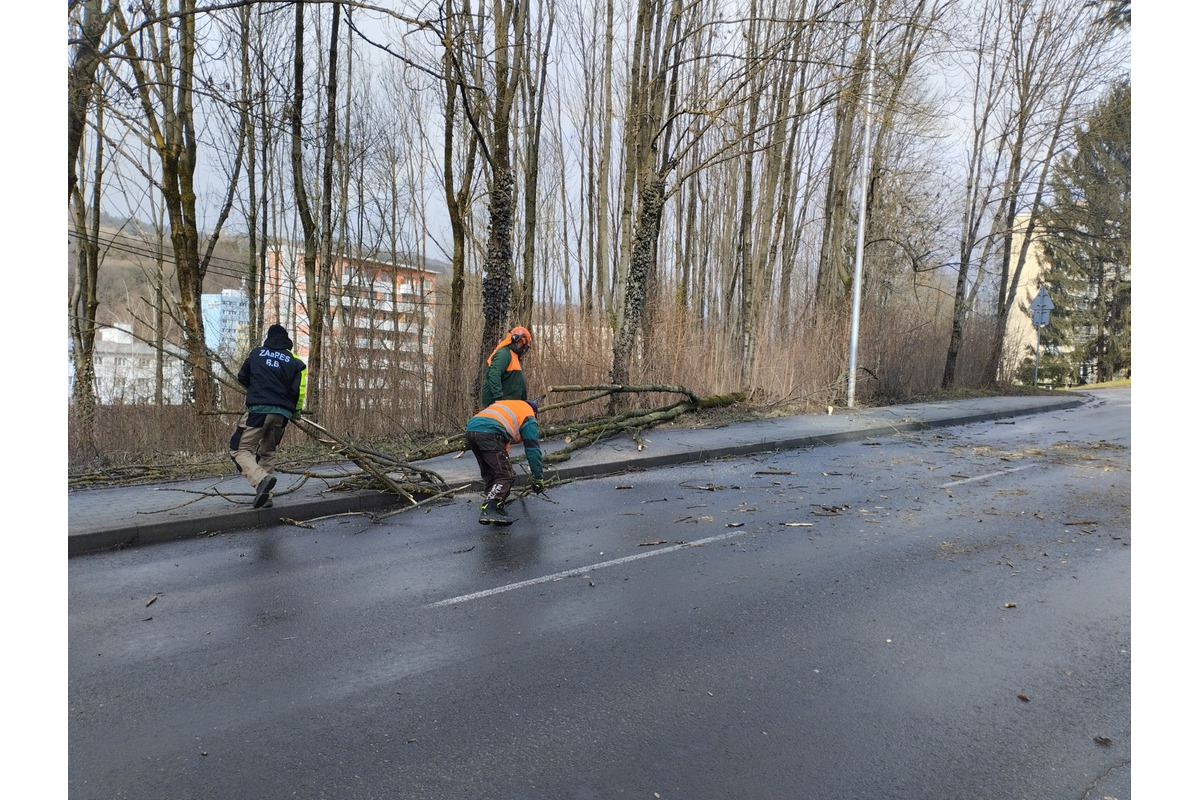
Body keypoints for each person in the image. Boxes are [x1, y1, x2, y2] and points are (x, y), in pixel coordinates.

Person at [229, 323, 307, 509]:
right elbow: (298, 391)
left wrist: (257, 390)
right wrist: (295, 412)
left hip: (258, 412)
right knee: (268, 452)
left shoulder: (257, 354)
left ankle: (261, 479)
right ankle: (266, 497)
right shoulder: (295, 361)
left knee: (239, 450)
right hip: (281, 415)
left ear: (268, 337)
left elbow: (242, 376)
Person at [465, 397, 545, 525]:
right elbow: (533, 450)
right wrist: (538, 478)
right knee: (506, 475)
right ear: (535, 413)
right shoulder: (528, 416)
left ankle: (495, 507)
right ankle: (489, 509)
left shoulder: (511, 406)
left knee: (491, 472)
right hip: (490, 432)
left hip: (471, 429)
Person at [480, 326, 533, 407]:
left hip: (510, 404)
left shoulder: (514, 356)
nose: (523, 349)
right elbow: (494, 375)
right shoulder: (504, 354)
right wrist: (499, 399)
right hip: (498, 405)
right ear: (518, 341)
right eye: (523, 345)